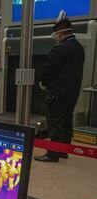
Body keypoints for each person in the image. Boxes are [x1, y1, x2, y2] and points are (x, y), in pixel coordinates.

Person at [35, 12, 85, 162]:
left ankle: (53, 153)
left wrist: (43, 82)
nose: (55, 37)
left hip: (56, 93)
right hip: (72, 93)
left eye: (56, 34)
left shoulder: (60, 49)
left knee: (55, 123)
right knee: (66, 121)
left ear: (62, 33)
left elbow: (50, 69)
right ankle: (64, 150)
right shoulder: (79, 48)